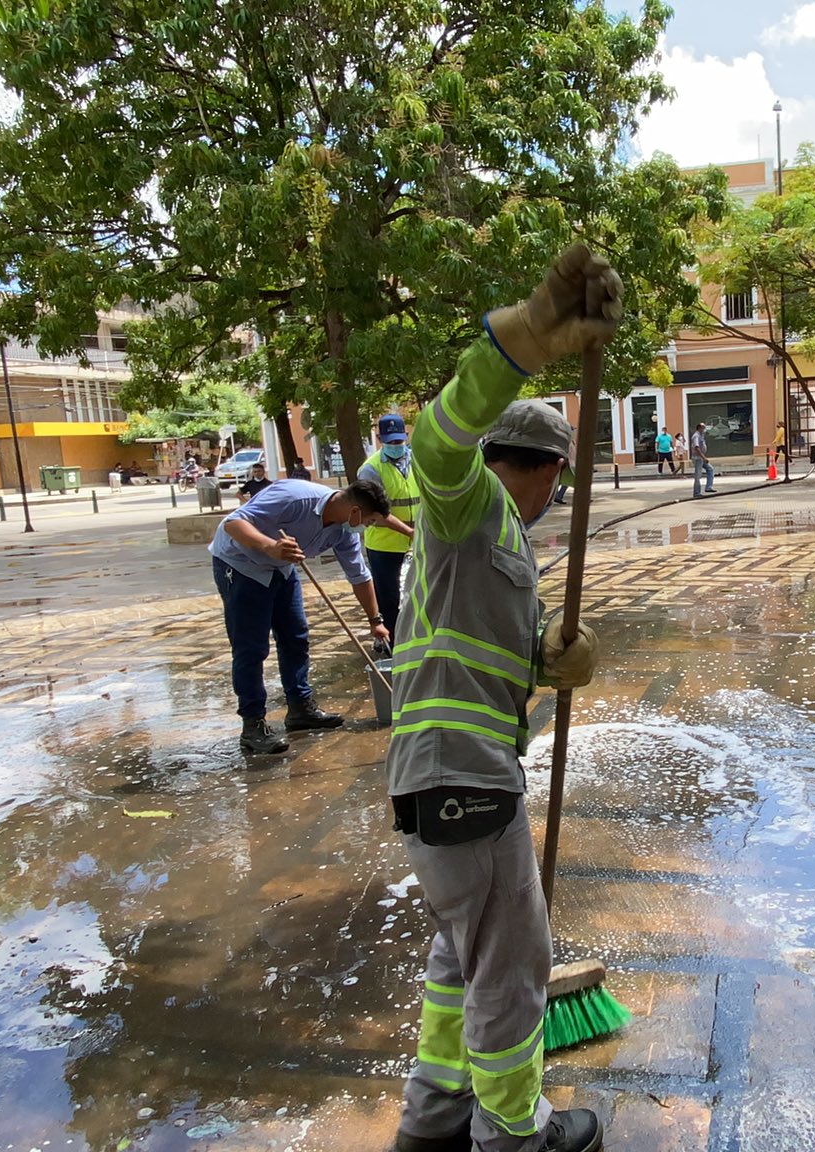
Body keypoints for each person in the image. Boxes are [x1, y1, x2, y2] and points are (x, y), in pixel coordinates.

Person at [386, 245, 612, 1152]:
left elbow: (503, 657)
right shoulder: (466, 500)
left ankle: (434, 1118)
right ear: (553, 471)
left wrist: (552, 655)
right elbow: (438, 438)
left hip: (448, 780)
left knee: (461, 956)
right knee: (513, 966)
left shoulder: (499, 542)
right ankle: (518, 1133)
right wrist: (520, 340)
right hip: (464, 780)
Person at [209, 476, 393, 755]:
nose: (366, 528)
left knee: (296, 637)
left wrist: (375, 621)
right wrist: (269, 546)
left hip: (283, 567)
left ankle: (299, 708)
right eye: (368, 522)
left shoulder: (344, 531)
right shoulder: (294, 498)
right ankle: (253, 725)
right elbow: (233, 524)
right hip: (241, 565)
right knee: (251, 648)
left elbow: (359, 575)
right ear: (355, 512)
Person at [358, 413, 421, 637]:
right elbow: (376, 512)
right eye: (390, 442)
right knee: (388, 599)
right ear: (379, 438)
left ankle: (416, 640)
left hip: (417, 541)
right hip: (384, 545)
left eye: (399, 441)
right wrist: (410, 531)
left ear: (406, 435)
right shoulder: (370, 470)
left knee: (420, 594)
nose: (396, 445)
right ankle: (392, 644)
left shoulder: (418, 460)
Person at [689, 422, 716, 496]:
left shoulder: (701, 435)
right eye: (703, 428)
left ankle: (708, 487)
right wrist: (703, 457)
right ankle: (696, 492)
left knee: (710, 469)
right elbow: (696, 447)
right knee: (698, 475)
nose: (704, 429)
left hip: (701, 457)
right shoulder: (696, 436)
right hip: (698, 458)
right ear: (699, 428)